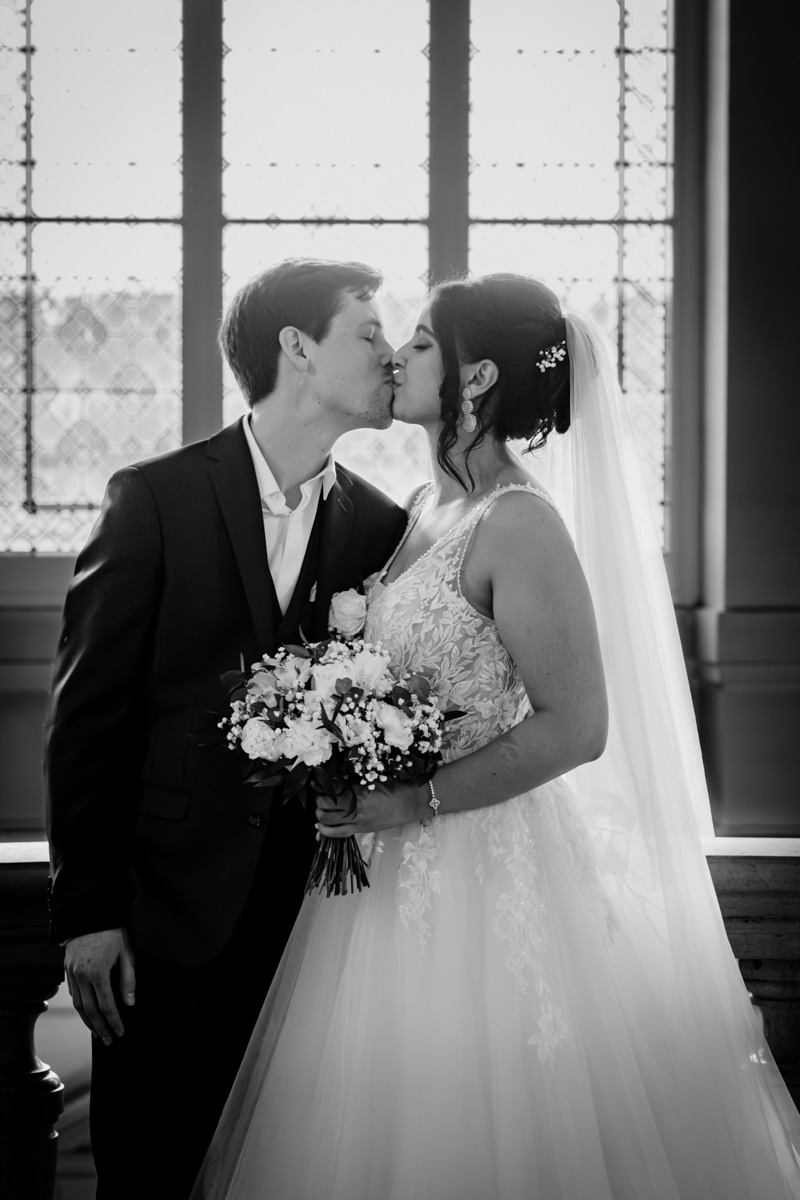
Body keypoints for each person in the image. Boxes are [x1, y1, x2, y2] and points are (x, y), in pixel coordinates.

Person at [192, 272, 800, 1200]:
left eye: (424, 343)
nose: (399, 354)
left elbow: (580, 726)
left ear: (475, 382)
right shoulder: (422, 509)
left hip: (485, 864)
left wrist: (414, 797)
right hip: (377, 876)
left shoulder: (521, 524)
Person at [44, 258, 407, 1200]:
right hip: (164, 921)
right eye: (367, 333)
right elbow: (88, 720)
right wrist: (87, 912)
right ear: (296, 347)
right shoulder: (154, 498)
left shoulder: (381, 527)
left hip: (316, 931)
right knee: (149, 1174)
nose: (390, 356)